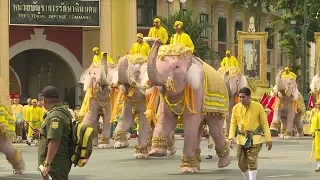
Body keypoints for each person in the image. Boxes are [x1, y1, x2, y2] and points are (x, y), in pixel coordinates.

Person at [228, 87, 272, 180]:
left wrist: (268, 139)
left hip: (255, 139)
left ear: (249, 97)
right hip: (241, 139)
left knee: (252, 161)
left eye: (243, 97)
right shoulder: (236, 108)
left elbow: (264, 123)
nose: (241, 99)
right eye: (239, 97)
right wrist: (231, 137)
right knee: (241, 164)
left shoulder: (258, 107)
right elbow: (233, 124)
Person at [36, 86, 73, 180]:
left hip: (56, 163)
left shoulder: (55, 116)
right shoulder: (59, 111)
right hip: (56, 162)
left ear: (44, 99)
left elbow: (55, 142)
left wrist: (47, 163)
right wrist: (42, 134)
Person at [311, 99, 320, 172]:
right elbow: (313, 124)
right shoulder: (315, 113)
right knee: (317, 149)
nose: (318, 106)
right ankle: (318, 165)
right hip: (317, 133)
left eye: (319, 104)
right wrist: (313, 132)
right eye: (317, 104)